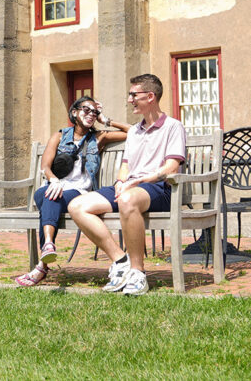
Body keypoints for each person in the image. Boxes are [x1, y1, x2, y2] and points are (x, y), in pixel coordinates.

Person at [68, 73, 187, 296]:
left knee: (127, 198)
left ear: (150, 96)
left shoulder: (173, 127)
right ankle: (120, 261)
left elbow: (171, 168)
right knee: (77, 206)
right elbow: (125, 164)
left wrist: (140, 180)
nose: (130, 99)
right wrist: (121, 181)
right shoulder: (134, 131)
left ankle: (138, 273)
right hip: (130, 188)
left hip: (160, 188)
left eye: (134, 95)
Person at [14, 96, 127, 286]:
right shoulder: (59, 136)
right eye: (86, 109)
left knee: (50, 198)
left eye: (94, 112)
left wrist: (106, 120)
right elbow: (45, 166)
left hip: (78, 193)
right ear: (74, 112)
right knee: (46, 194)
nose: (90, 114)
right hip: (54, 185)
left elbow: (134, 132)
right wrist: (54, 180)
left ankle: (43, 261)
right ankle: (48, 248)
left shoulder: (99, 137)